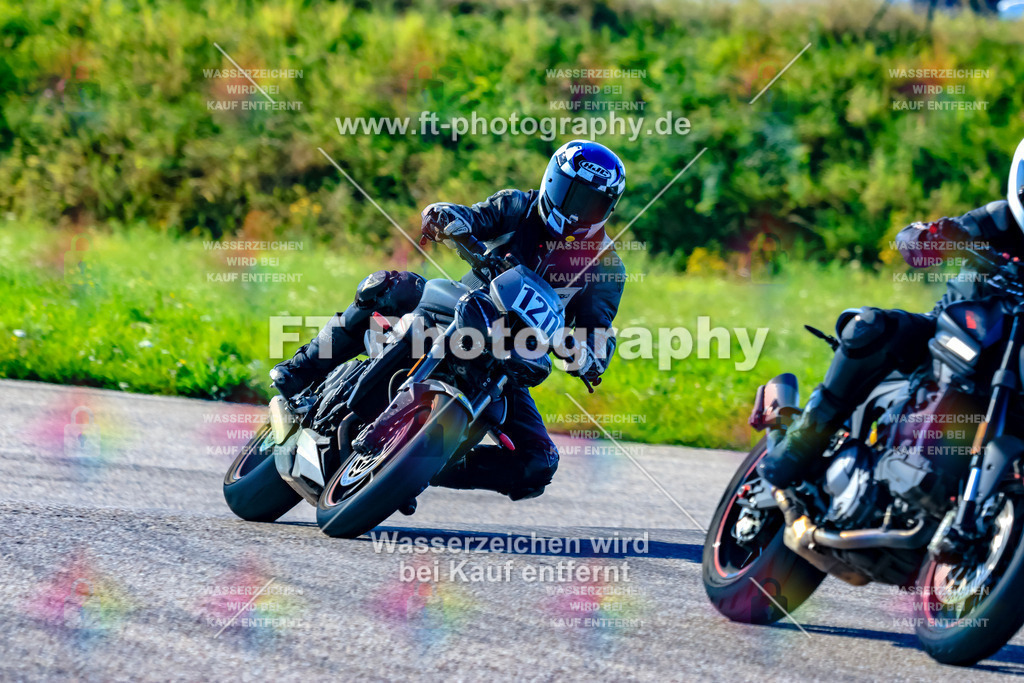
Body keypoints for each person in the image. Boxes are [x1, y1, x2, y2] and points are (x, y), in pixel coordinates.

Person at [270, 140, 628, 501]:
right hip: (459, 309)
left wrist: (591, 354)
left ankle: (417, 468)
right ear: (552, 182)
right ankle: (301, 369)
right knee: (391, 287)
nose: (579, 210)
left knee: (539, 463)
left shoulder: (606, 266)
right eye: (574, 195)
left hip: (509, 363)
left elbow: (598, 327)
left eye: (592, 203)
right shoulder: (519, 206)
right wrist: (448, 218)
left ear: (608, 207)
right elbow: (476, 216)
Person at [759, 138, 1024, 488]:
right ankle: (800, 444)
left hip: (1013, 359)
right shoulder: (998, 221)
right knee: (870, 327)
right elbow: (916, 240)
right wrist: (928, 238)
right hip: (947, 337)